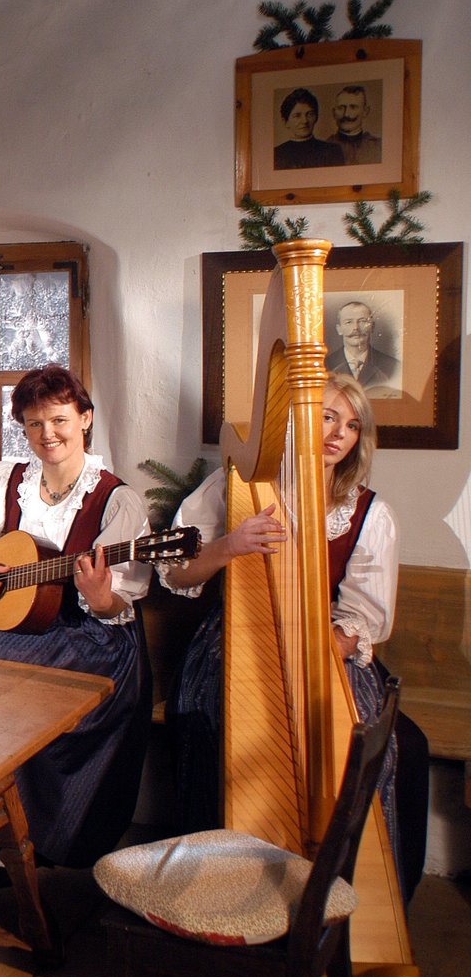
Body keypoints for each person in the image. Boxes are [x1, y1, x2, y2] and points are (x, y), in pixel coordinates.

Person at [162, 374, 427, 902]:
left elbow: (363, 618)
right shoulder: (234, 486)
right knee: (209, 721)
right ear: (293, 421)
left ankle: (349, 890)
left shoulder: (370, 513)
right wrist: (231, 545)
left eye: (352, 425)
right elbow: (176, 573)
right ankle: (222, 888)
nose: (339, 433)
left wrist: (322, 648)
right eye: (327, 416)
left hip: (330, 646)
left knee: (383, 744)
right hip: (231, 638)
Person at [0, 365, 151, 877]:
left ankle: (33, 840)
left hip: (97, 637)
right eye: (33, 423)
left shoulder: (118, 501)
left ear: (85, 418)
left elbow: (119, 604)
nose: (48, 434)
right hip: (29, 629)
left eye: (60, 420)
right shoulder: (12, 481)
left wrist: (101, 597)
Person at [325, 300, 401, 395]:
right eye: (348, 322)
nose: (356, 328)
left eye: (362, 321)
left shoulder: (393, 366)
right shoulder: (324, 366)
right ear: (339, 329)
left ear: (372, 327)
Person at [272, 87, 344, 170]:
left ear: (316, 117)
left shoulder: (332, 151)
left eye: (310, 114)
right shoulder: (277, 154)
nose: (305, 121)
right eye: (297, 116)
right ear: (286, 122)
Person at [328, 84, 383, 165]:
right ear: (334, 113)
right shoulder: (324, 148)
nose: (346, 114)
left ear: (365, 111)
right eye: (341, 108)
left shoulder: (378, 147)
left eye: (353, 107)